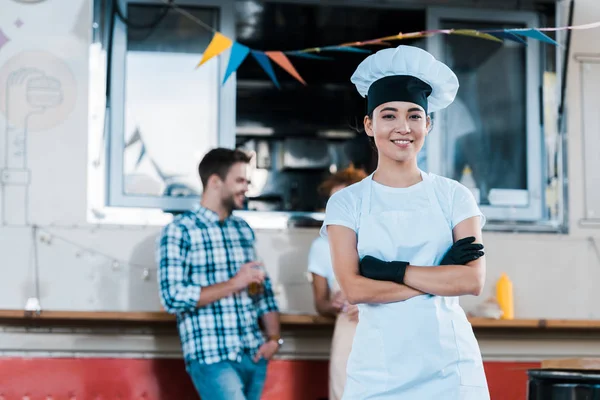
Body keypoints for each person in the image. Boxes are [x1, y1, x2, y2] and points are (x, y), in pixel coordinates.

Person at [321, 45, 490, 399]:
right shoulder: (346, 203)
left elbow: (471, 280)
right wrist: (439, 274)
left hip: (450, 368)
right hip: (378, 371)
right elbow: (354, 289)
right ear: (369, 125)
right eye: (389, 115)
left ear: (428, 123)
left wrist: (390, 271)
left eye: (415, 115)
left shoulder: (454, 196)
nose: (403, 127)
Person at [156, 148, 281, 400]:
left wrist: (274, 339)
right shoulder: (180, 230)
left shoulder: (243, 229)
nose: (247, 187)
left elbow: (262, 292)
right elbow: (173, 297)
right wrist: (235, 283)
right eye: (240, 181)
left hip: (253, 354)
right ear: (215, 182)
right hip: (211, 355)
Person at [307, 165, 367, 400]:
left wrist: (368, 299)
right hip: (347, 330)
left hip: (388, 327)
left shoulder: (383, 239)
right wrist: (335, 303)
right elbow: (320, 304)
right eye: (335, 202)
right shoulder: (322, 246)